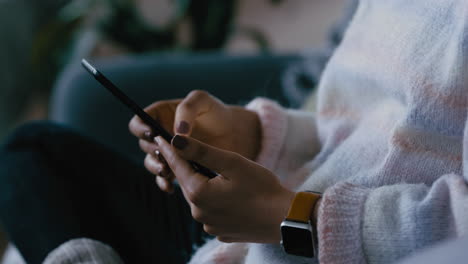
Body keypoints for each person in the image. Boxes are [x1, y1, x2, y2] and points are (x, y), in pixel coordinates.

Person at [1, 0, 468, 263]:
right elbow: (353, 128)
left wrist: (292, 217)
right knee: (33, 154)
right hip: (271, 216)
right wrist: (250, 137)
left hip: (302, 237)